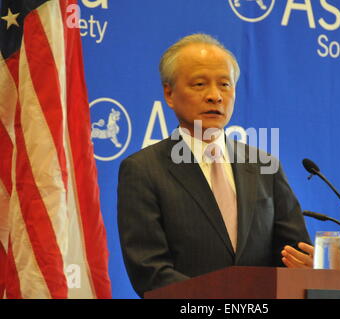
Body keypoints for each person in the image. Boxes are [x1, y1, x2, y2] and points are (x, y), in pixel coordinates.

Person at [117, 33, 314, 298]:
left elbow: (293, 254)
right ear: (169, 93)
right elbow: (149, 272)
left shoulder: (265, 166)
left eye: (224, 85)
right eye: (199, 84)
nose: (215, 96)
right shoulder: (143, 170)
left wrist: (311, 268)